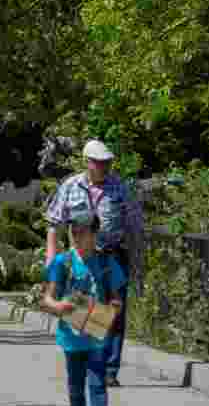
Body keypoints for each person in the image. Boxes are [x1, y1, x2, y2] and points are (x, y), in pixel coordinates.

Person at [45, 139, 143, 387]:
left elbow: (134, 225)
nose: (104, 167)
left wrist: (136, 257)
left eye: (107, 163)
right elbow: (55, 223)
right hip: (80, 255)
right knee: (82, 306)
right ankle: (87, 358)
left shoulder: (119, 187)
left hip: (111, 255)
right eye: (99, 163)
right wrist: (51, 255)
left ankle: (109, 368)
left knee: (114, 309)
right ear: (88, 163)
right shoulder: (70, 186)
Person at [40, 208, 124, 406]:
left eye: (82, 232)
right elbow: (47, 299)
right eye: (73, 232)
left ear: (95, 233)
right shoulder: (62, 262)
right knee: (76, 386)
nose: (76, 237)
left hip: (97, 333)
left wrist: (113, 310)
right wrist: (59, 306)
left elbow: (117, 299)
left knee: (98, 384)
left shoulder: (107, 263)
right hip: (71, 336)